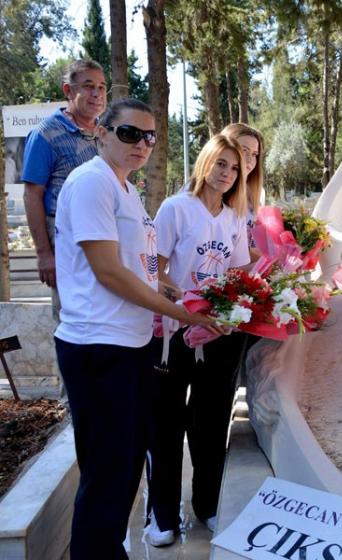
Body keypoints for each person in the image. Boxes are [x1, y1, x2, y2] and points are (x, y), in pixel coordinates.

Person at [52, 98, 215, 559]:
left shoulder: (124, 187)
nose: (142, 144)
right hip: (98, 347)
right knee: (107, 471)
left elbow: (137, 268)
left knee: (125, 467)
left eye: (149, 136)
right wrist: (183, 315)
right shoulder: (91, 183)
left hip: (131, 343)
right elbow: (107, 271)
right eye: (130, 133)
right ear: (101, 132)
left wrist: (174, 292)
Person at [145, 134, 250, 546]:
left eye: (235, 167)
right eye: (221, 164)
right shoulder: (176, 208)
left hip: (218, 337)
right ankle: (162, 516)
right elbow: (154, 268)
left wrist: (227, 314)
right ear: (205, 163)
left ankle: (207, 505)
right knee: (166, 424)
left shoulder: (234, 216)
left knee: (210, 425)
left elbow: (238, 274)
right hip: (173, 333)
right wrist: (187, 307)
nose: (227, 173)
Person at [22, 59, 107, 315]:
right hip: (65, 236)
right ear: (68, 91)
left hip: (103, 232)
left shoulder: (106, 132)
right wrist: (44, 254)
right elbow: (31, 196)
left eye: (102, 87)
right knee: (72, 316)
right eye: (88, 86)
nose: (97, 94)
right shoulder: (45, 134)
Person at [221, 123, 265, 262]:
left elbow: (251, 247)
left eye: (254, 154)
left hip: (243, 277)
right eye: (243, 150)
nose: (250, 160)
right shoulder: (210, 193)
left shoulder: (255, 194)